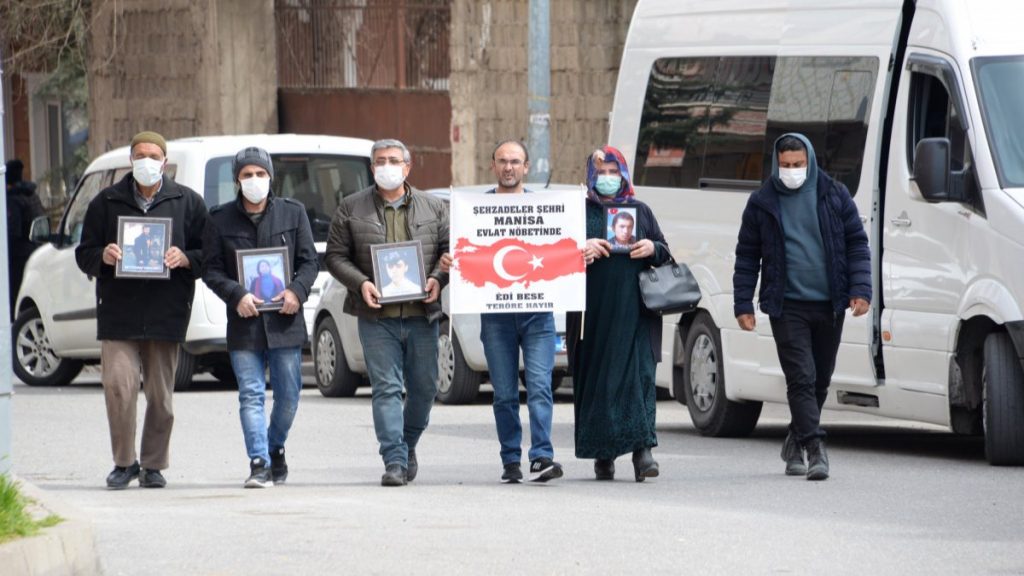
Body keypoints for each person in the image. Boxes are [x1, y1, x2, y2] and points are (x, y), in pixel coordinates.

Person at [733, 133, 871, 481]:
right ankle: (814, 447)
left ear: (809, 161)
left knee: (821, 379)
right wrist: (742, 303)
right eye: (785, 166)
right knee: (801, 378)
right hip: (786, 305)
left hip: (830, 304)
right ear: (776, 164)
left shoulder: (833, 194)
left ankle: (794, 443)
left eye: (798, 165)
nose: (792, 171)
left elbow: (856, 243)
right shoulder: (762, 202)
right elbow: (747, 256)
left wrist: (861, 290)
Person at [75, 131, 208, 489]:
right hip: (119, 311)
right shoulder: (105, 202)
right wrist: (102, 256)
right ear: (130, 161)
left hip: (166, 311)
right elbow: (83, 253)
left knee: (161, 396)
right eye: (140, 155)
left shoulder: (188, 203)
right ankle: (124, 461)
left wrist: (186, 258)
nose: (146, 162)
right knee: (118, 387)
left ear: (165, 162)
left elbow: (208, 255)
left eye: (153, 155)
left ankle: (153, 464)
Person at [325, 139, 448, 487]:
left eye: (394, 160)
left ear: (407, 167)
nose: (387, 166)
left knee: (424, 388)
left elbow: (449, 250)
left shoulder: (434, 207)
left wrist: (440, 278)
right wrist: (361, 282)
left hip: (423, 314)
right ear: (371, 167)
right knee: (386, 388)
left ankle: (407, 443)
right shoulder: (350, 208)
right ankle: (394, 459)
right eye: (380, 161)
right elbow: (335, 256)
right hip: (376, 317)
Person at [441, 140, 564, 484]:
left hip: (538, 314)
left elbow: (560, 245)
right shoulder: (474, 211)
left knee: (540, 386)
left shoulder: (548, 208)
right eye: (502, 161)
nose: (509, 167)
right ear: (492, 166)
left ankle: (542, 456)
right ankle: (511, 459)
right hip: (495, 316)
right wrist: (451, 259)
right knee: (506, 392)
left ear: (527, 168)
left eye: (515, 161)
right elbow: (462, 251)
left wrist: (576, 254)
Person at [203, 146, 318, 488]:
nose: (254, 180)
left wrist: (296, 291)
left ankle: (275, 445)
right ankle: (258, 463)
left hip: (285, 321)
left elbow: (309, 262)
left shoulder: (293, 213)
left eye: (260, 174)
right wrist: (236, 295)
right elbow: (211, 270)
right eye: (246, 175)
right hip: (244, 324)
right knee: (251, 393)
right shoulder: (219, 219)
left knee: (289, 396)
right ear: (237, 181)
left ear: (271, 176)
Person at [567, 146, 670, 482]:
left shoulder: (640, 210)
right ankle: (603, 452)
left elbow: (665, 253)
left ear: (624, 174)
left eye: (614, 171)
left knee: (638, 377)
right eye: (601, 172)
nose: (608, 178)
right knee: (597, 378)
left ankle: (643, 453)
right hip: (591, 314)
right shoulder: (576, 214)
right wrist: (580, 251)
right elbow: (554, 258)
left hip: (635, 312)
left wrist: (652, 248)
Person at [5, 158, 45, 315]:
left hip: (18, 257)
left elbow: (12, 232)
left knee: (15, 297)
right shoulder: (32, 195)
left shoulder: (12, 200)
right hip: (36, 251)